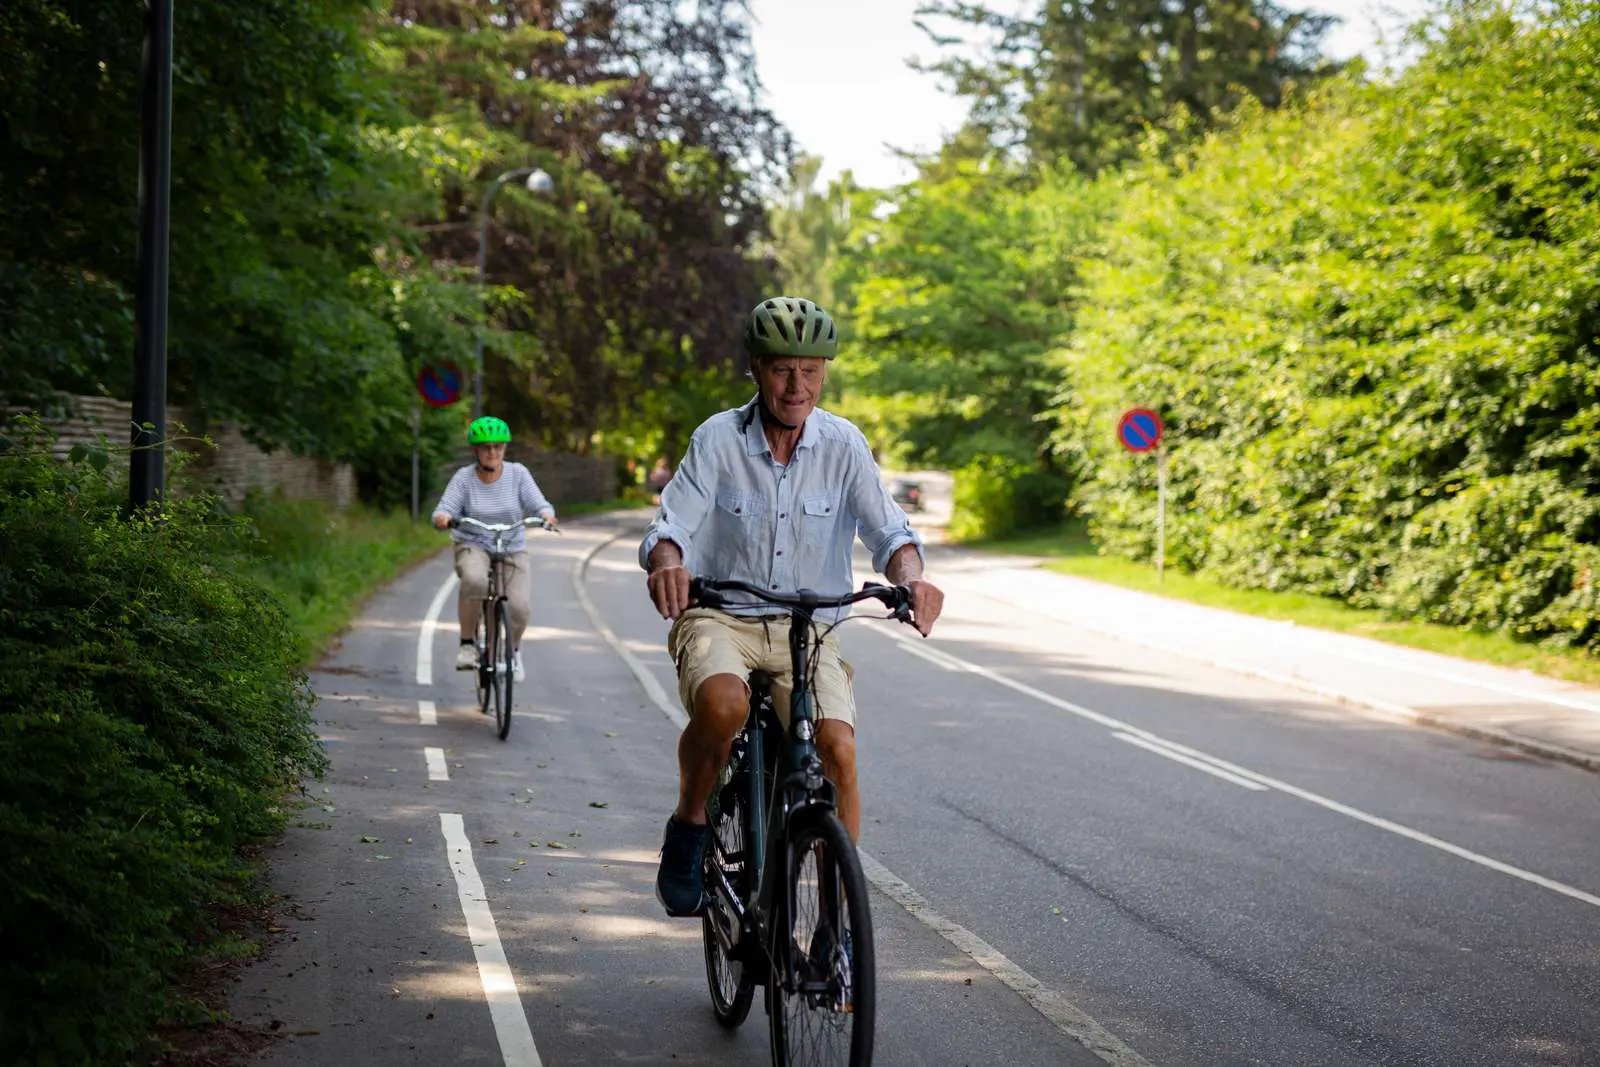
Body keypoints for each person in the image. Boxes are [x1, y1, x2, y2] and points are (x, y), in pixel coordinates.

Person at [640, 295, 945, 917]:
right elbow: (671, 524)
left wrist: (913, 580)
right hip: (721, 615)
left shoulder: (843, 443)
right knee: (724, 705)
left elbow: (889, 532)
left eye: (810, 369)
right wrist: (669, 562)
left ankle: (839, 918)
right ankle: (692, 821)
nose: (796, 385)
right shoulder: (718, 439)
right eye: (782, 369)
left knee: (838, 749)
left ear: (825, 373)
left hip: (807, 628)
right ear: (755, 368)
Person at [431, 416, 558, 684]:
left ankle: (513, 653)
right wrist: (443, 518)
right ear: (475, 451)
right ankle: (467, 644)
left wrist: (546, 514)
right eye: (486, 447)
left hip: (511, 545)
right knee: (475, 580)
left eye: (498, 447)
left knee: (520, 608)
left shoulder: (518, 474)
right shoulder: (464, 479)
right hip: (473, 542)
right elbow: (444, 509)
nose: (492, 453)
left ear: (505, 449)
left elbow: (539, 503)